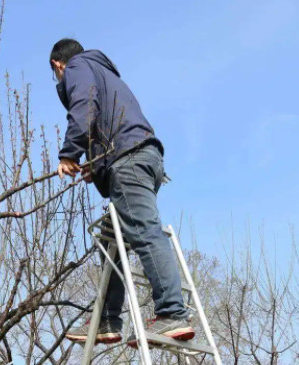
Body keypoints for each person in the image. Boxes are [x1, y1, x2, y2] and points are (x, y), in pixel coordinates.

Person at [50, 38, 195, 347]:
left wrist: (69, 154)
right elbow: (108, 125)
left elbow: (84, 104)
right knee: (109, 236)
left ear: (57, 66)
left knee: (144, 231)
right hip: (138, 158)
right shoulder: (106, 75)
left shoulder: (77, 66)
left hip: (130, 159)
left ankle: (172, 312)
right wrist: (97, 167)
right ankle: (107, 320)